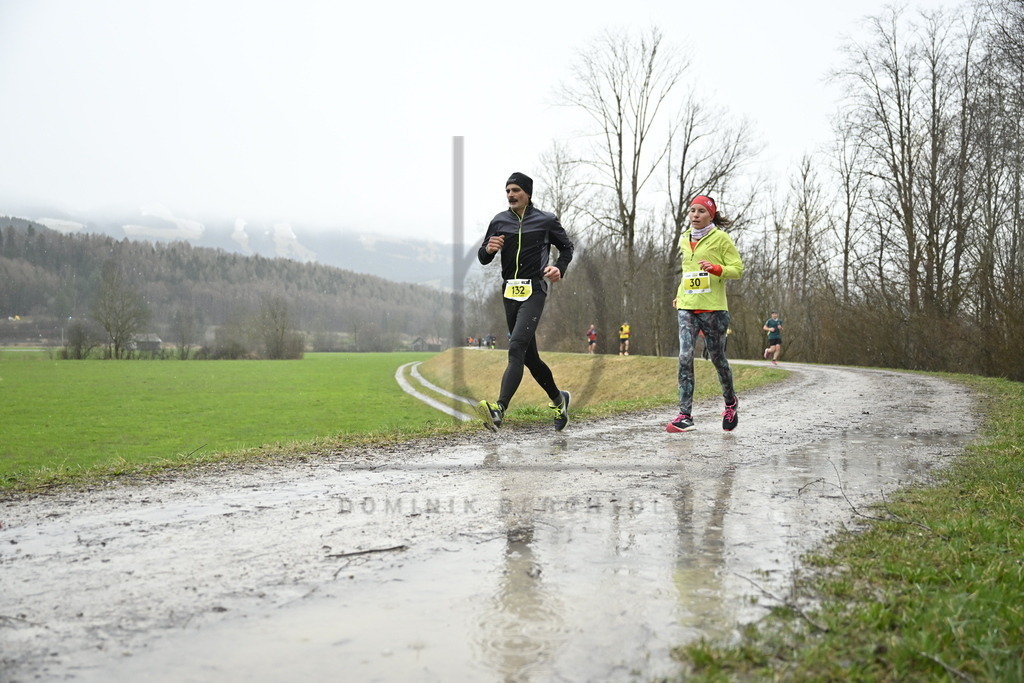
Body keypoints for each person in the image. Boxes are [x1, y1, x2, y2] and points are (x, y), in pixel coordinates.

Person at [475, 172, 574, 432]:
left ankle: (499, 409)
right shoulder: (499, 221)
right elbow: (483, 257)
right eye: (508, 190)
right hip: (509, 292)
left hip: (534, 290)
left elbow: (567, 248)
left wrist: (559, 268)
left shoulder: (545, 220)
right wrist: (489, 249)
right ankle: (559, 399)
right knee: (530, 358)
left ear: (528, 193)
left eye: (516, 190)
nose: (511, 195)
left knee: (516, 347)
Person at [666, 195, 744, 433]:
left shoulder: (721, 238)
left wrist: (717, 269)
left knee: (717, 359)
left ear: (711, 215)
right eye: (692, 210)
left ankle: (730, 402)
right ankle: (685, 415)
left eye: (701, 211)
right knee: (685, 356)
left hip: (713, 309)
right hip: (687, 307)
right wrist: (680, 294)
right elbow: (688, 273)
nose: (695, 215)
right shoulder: (684, 239)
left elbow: (737, 269)